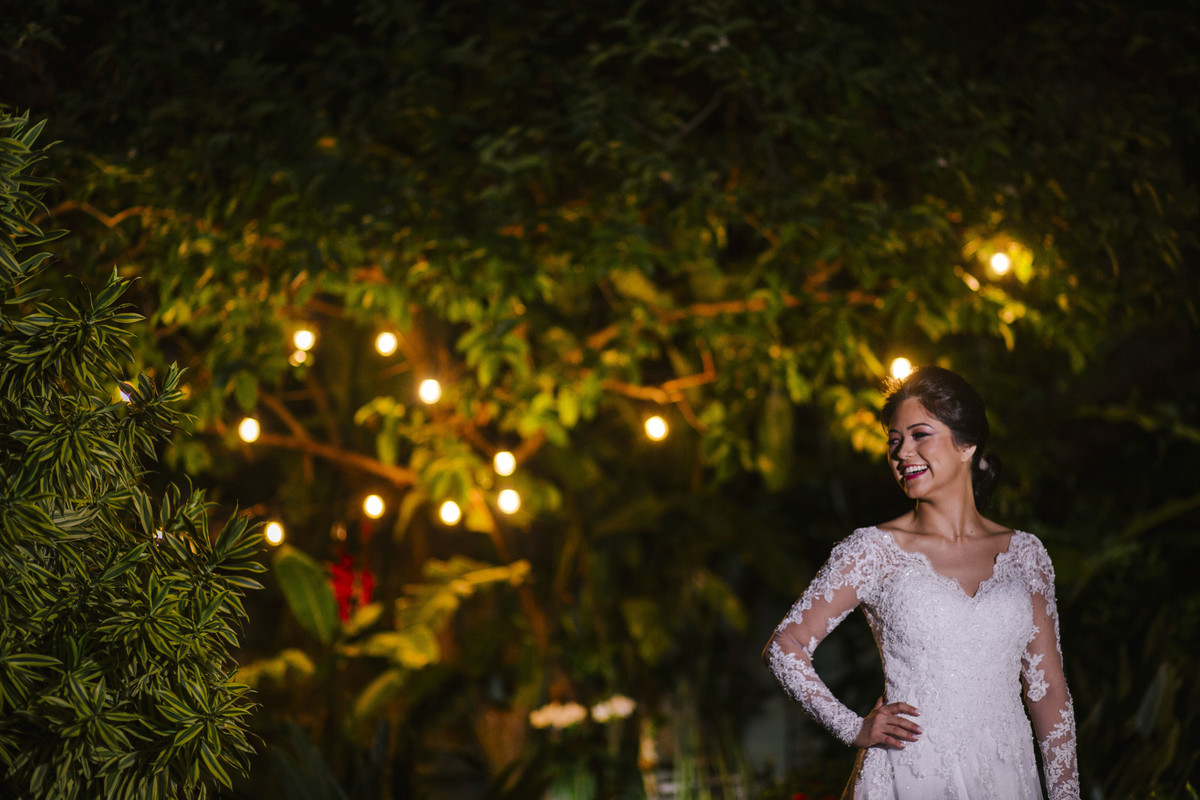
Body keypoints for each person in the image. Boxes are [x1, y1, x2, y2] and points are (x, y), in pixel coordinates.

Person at [763, 366, 1079, 799]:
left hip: (1008, 774)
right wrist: (853, 727)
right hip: (911, 772)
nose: (902, 453)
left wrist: (1066, 795)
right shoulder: (873, 550)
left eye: (919, 435)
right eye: (894, 441)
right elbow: (785, 646)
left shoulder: (1026, 555)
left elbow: (1049, 692)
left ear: (967, 444)